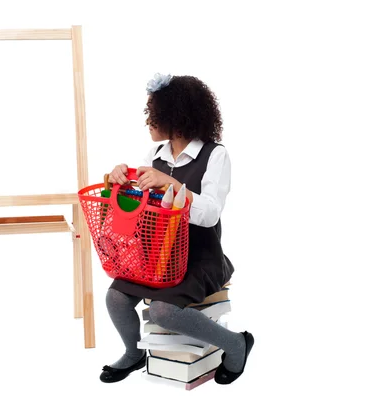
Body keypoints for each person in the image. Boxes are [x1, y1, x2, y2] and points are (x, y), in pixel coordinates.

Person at [100, 74, 253, 385]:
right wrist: (119, 179)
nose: (147, 122)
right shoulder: (154, 157)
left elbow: (209, 213)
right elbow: (140, 208)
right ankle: (134, 353)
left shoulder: (214, 154)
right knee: (115, 298)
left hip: (199, 257)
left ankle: (236, 344)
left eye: (152, 114)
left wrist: (171, 183)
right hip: (158, 256)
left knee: (163, 312)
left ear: (176, 115)